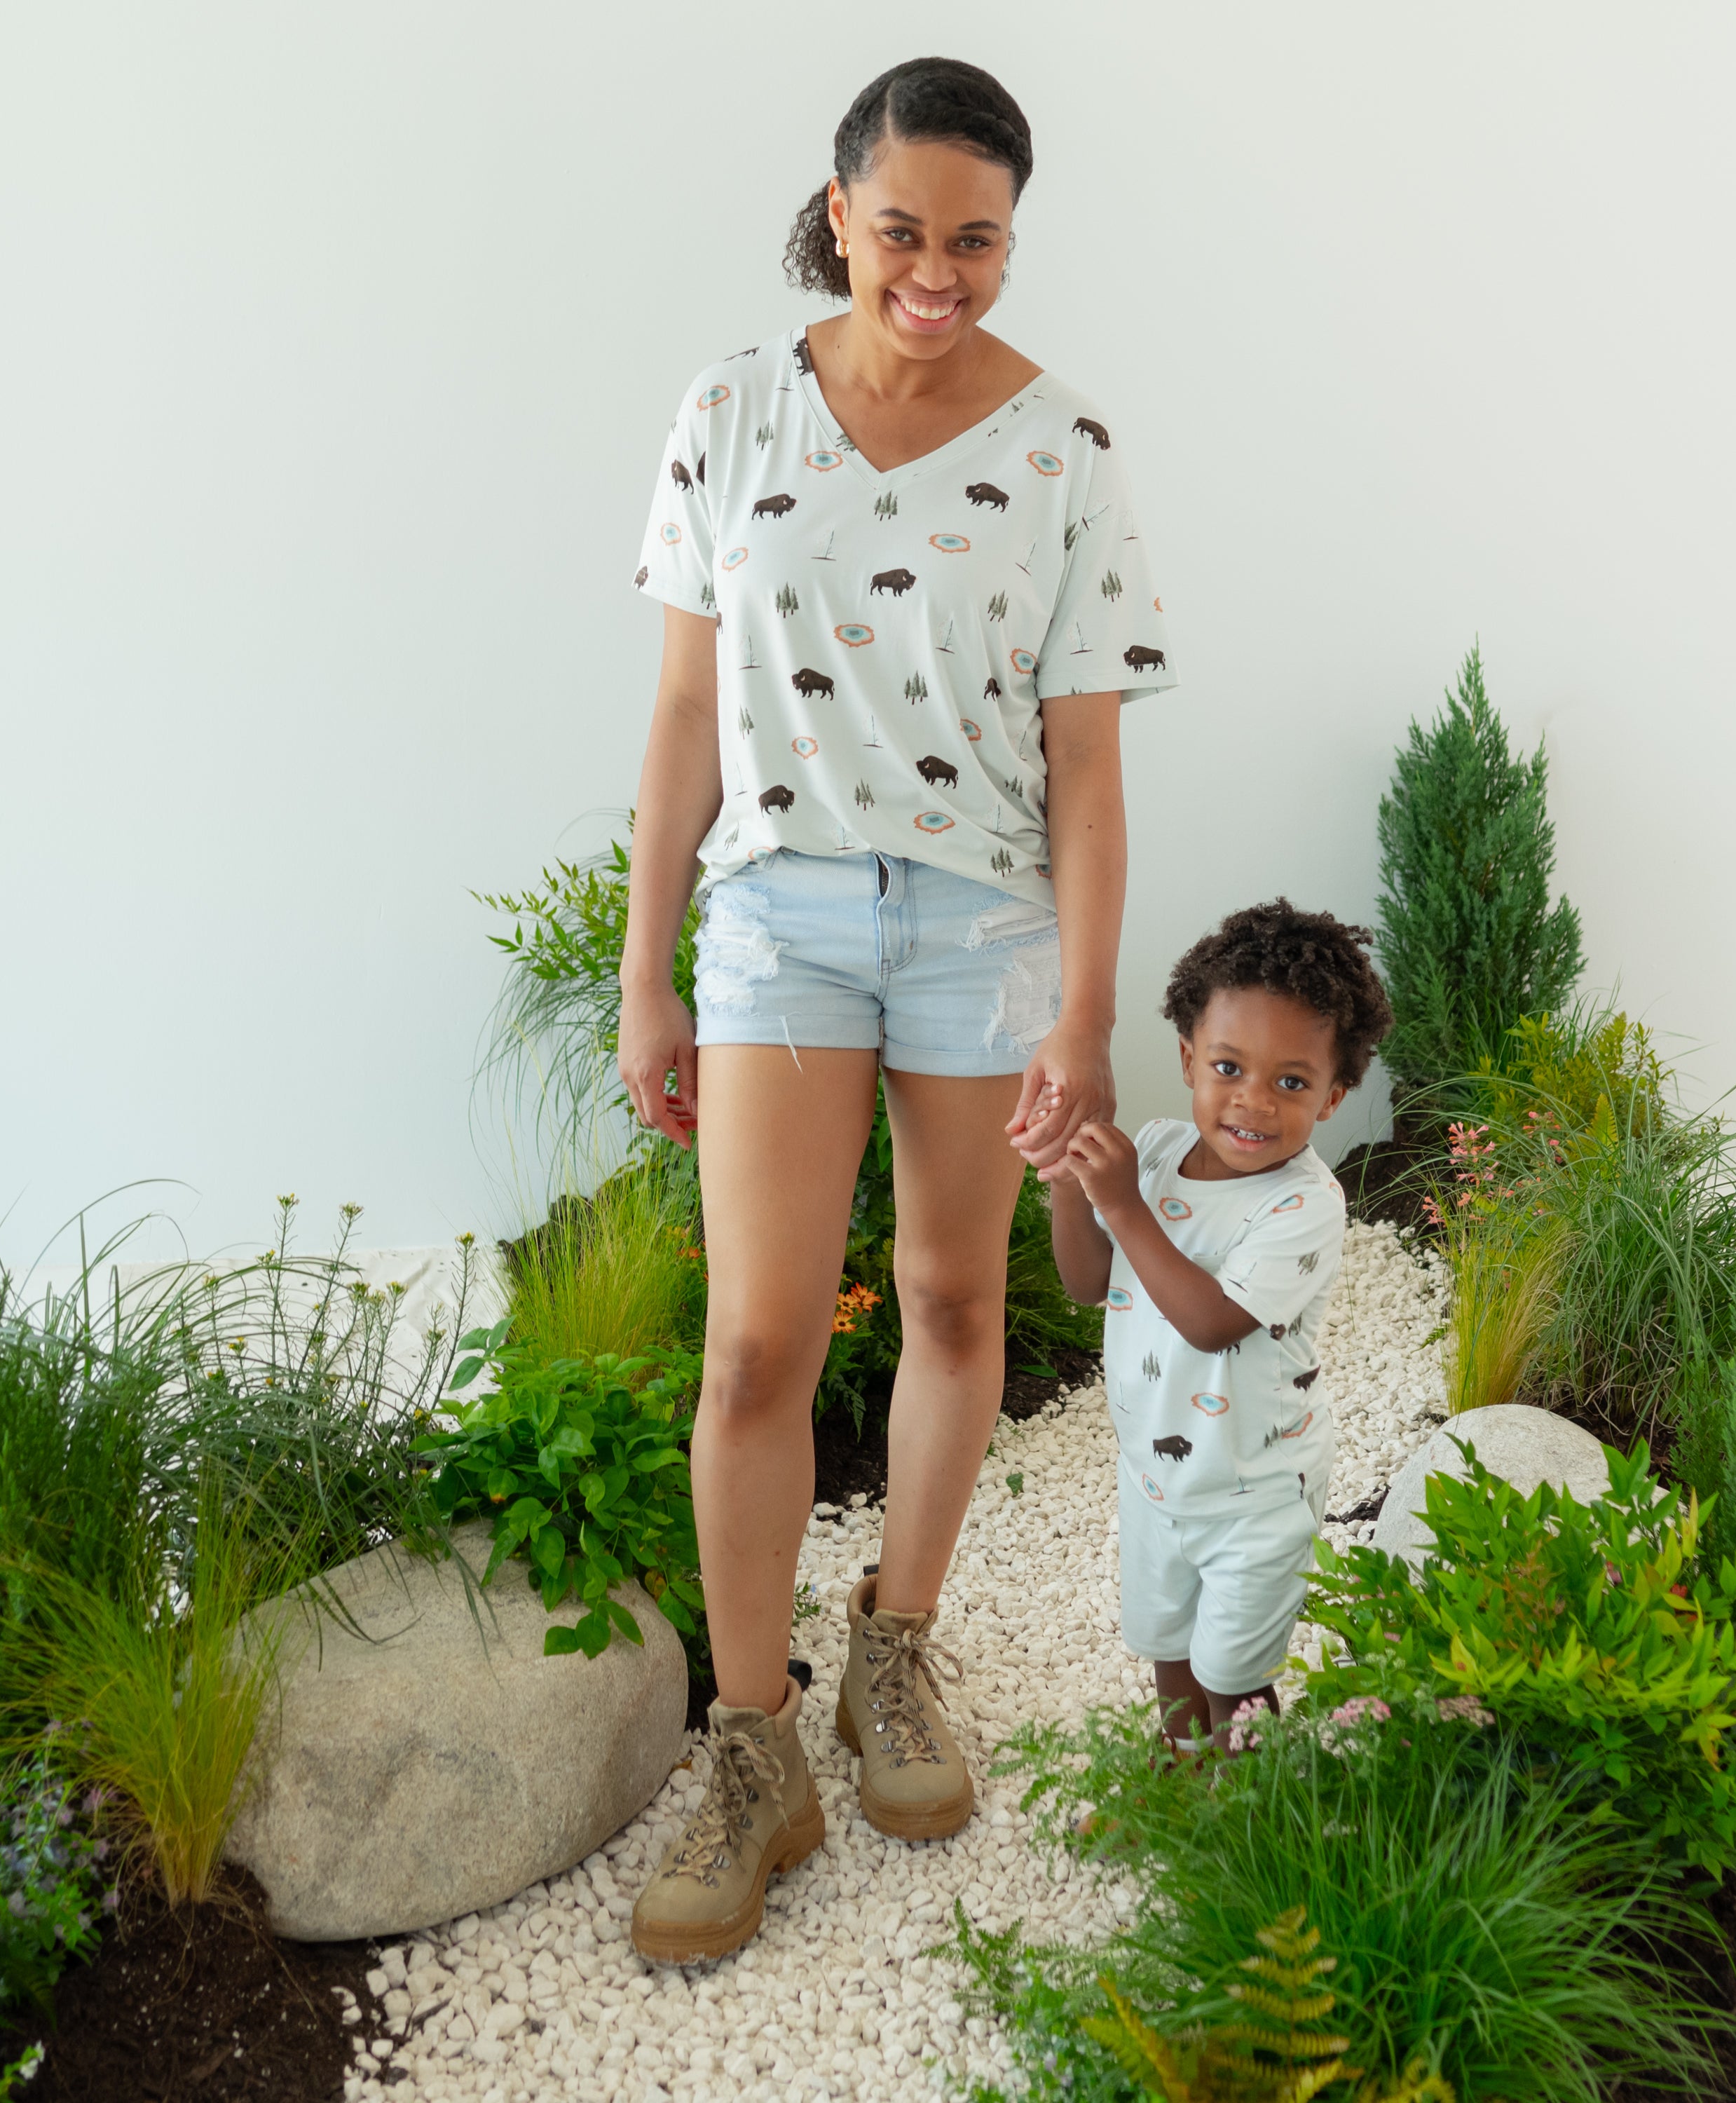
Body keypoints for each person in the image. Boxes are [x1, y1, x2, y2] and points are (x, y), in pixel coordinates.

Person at [616, 56, 1176, 1963]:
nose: (937, 274)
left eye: (979, 242)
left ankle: (897, 1654)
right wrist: (646, 972)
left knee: (956, 1299)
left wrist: (1083, 1017)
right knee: (759, 1346)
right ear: (839, 209)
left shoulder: (1069, 448)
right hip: (778, 918)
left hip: (981, 925)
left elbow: (1087, 774)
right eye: (904, 231)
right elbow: (689, 718)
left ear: (1012, 240)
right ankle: (752, 1741)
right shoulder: (726, 413)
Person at [1044, 903, 1392, 1755]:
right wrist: (1066, 1179)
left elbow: (1209, 1323)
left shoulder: (1303, 1203)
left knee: (1232, 1677)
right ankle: (1180, 1788)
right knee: (1169, 1652)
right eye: (1229, 1066)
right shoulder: (1158, 1151)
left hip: (1256, 1493)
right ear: (1188, 1056)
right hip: (1158, 1479)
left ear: (1335, 1096)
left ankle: (1244, 1825)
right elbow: (1087, 1282)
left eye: (1292, 1082)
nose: (1253, 1102)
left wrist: (1121, 1204)